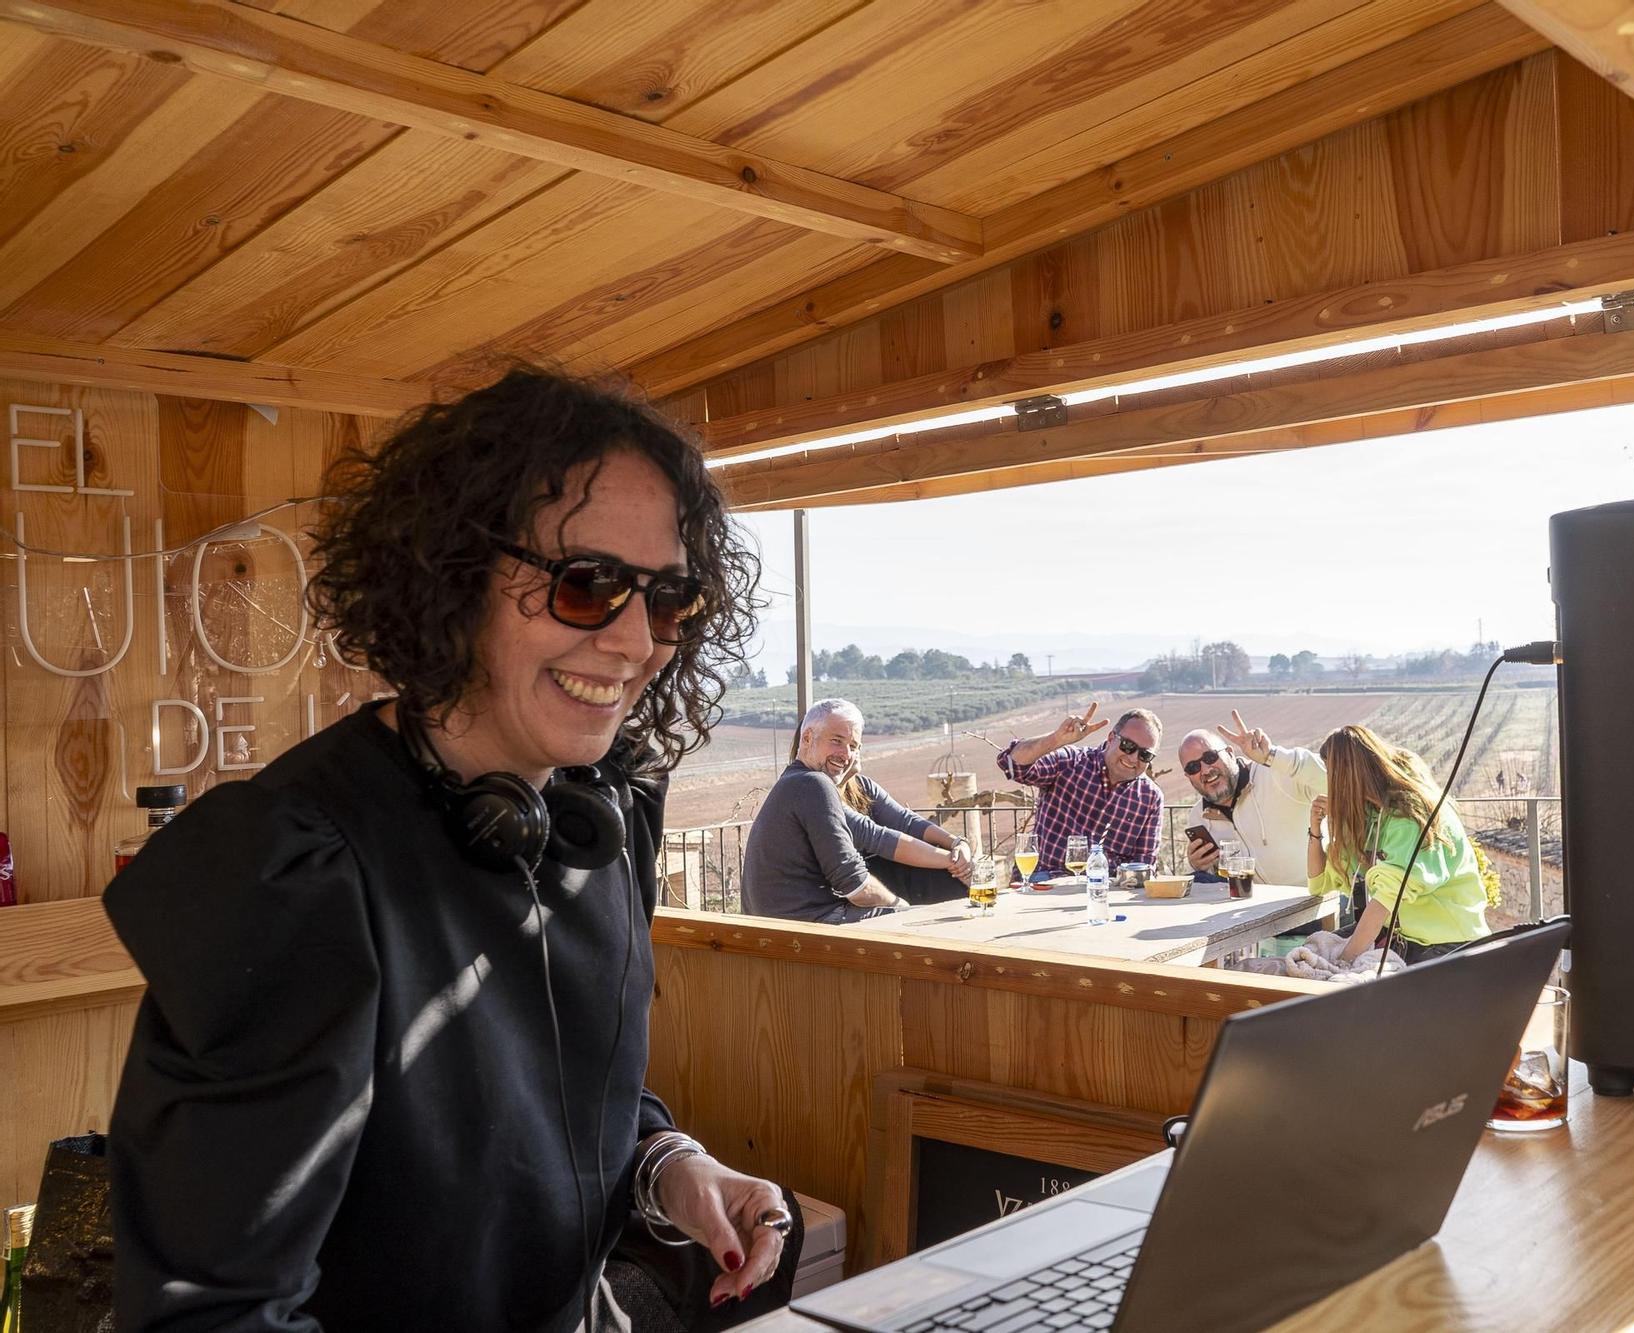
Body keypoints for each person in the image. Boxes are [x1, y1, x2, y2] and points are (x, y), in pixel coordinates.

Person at [105, 369, 798, 1332]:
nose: (639, 640)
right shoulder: (295, 869)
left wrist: (667, 1166)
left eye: (669, 598)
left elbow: (560, 1102)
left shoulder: (599, 816)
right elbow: (211, 1314)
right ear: (453, 575)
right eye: (587, 584)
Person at [742, 700, 970, 921]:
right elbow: (856, 882)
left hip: (785, 922)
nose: (846, 754)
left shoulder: (798, 782)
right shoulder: (813, 784)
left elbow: (902, 822)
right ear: (808, 737)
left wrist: (955, 845)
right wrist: (902, 908)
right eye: (836, 741)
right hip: (809, 924)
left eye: (853, 747)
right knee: (927, 921)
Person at [1305, 724, 1494, 965]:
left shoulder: (1410, 816)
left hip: (1445, 946)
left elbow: (1386, 898)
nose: (1330, 783)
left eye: (1331, 774)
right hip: (1401, 938)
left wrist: (1343, 962)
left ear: (1349, 776)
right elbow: (1319, 884)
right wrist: (1315, 829)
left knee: (1336, 978)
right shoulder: (1372, 814)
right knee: (1310, 955)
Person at [996, 703, 1163, 874]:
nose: (1134, 758)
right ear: (1111, 738)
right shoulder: (1070, 762)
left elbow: (1144, 864)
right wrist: (1056, 739)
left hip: (1104, 890)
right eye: (1128, 745)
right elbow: (1011, 764)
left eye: (1145, 754)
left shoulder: (1150, 797)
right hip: (1044, 882)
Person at [1180, 709, 1326, 887]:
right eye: (1193, 767)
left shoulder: (1275, 774)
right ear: (1188, 777)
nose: (1205, 770)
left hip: (1315, 898)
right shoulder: (1198, 817)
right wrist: (1199, 865)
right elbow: (1221, 881)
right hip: (1256, 909)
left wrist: (1272, 755)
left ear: (1230, 753)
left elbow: (1330, 780)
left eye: (1210, 757)